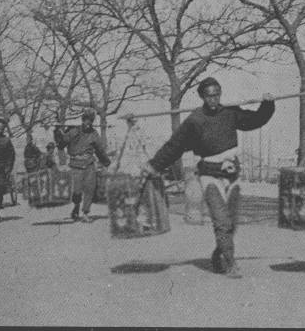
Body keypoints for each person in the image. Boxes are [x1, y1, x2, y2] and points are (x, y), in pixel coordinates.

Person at [141, 77, 275, 279]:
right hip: (209, 174)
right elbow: (174, 146)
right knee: (221, 220)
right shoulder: (195, 120)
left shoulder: (230, 112)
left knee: (230, 223)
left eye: (217, 95)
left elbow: (254, 120)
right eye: (209, 96)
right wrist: (154, 165)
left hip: (231, 174)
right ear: (202, 96)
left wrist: (267, 105)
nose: (214, 99)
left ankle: (218, 255)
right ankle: (230, 263)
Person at [54, 108, 111, 223]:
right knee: (76, 191)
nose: (88, 123)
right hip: (75, 165)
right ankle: (76, 206)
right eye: (86, 120)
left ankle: (85, 213)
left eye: (90, 121)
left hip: (89, 164)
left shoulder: (94, 134)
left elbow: (99, 150)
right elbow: (61, 144)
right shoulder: (73, 132)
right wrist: (57, 131)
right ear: (82, 120)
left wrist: (106, 162)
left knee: (90, 189)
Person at [0, 116, 15, 223]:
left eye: (2, 128)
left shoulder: (6, 141)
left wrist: (8, 170)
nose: (0, 129)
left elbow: (11, 157)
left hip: (0, 171)